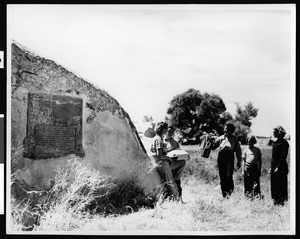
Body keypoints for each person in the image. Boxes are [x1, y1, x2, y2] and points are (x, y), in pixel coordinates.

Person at [150, 122, 186, 200]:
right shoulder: (159, 139)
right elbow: (160, 155)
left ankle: (175, 197)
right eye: (167, 130)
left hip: (162, 163)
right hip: (163, 163)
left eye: (171, 132)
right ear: (163, 129)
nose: (168, 132)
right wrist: (169, 158)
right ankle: (176, 199)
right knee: (171, 183)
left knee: (182, 163)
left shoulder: (158, 139)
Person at [211, 123, 242, 198]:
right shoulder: (220, 138)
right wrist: (210, 141)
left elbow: (238, 150)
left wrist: (239, 160)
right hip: (221, 156)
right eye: (225, 128)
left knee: (229, 175)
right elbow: (213, 147)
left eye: (227, 128)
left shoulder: (234, 139)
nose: (225, 130)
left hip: (230, 156)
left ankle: (230, 192)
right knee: (222, 176)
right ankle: (224, 195)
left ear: (231, 130)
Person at [269, 125, 289, 205]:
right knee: (274, 184)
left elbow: (283, 157)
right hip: (274, 166)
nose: (273, 133)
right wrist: (271, 167)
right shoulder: (275, 142)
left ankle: (282, 202)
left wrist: (278, 167)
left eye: (275, 132)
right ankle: (275, 201)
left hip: (281, 166)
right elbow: (273, 157)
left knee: (281, 185)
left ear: (279, 132)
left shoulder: (284, 143)